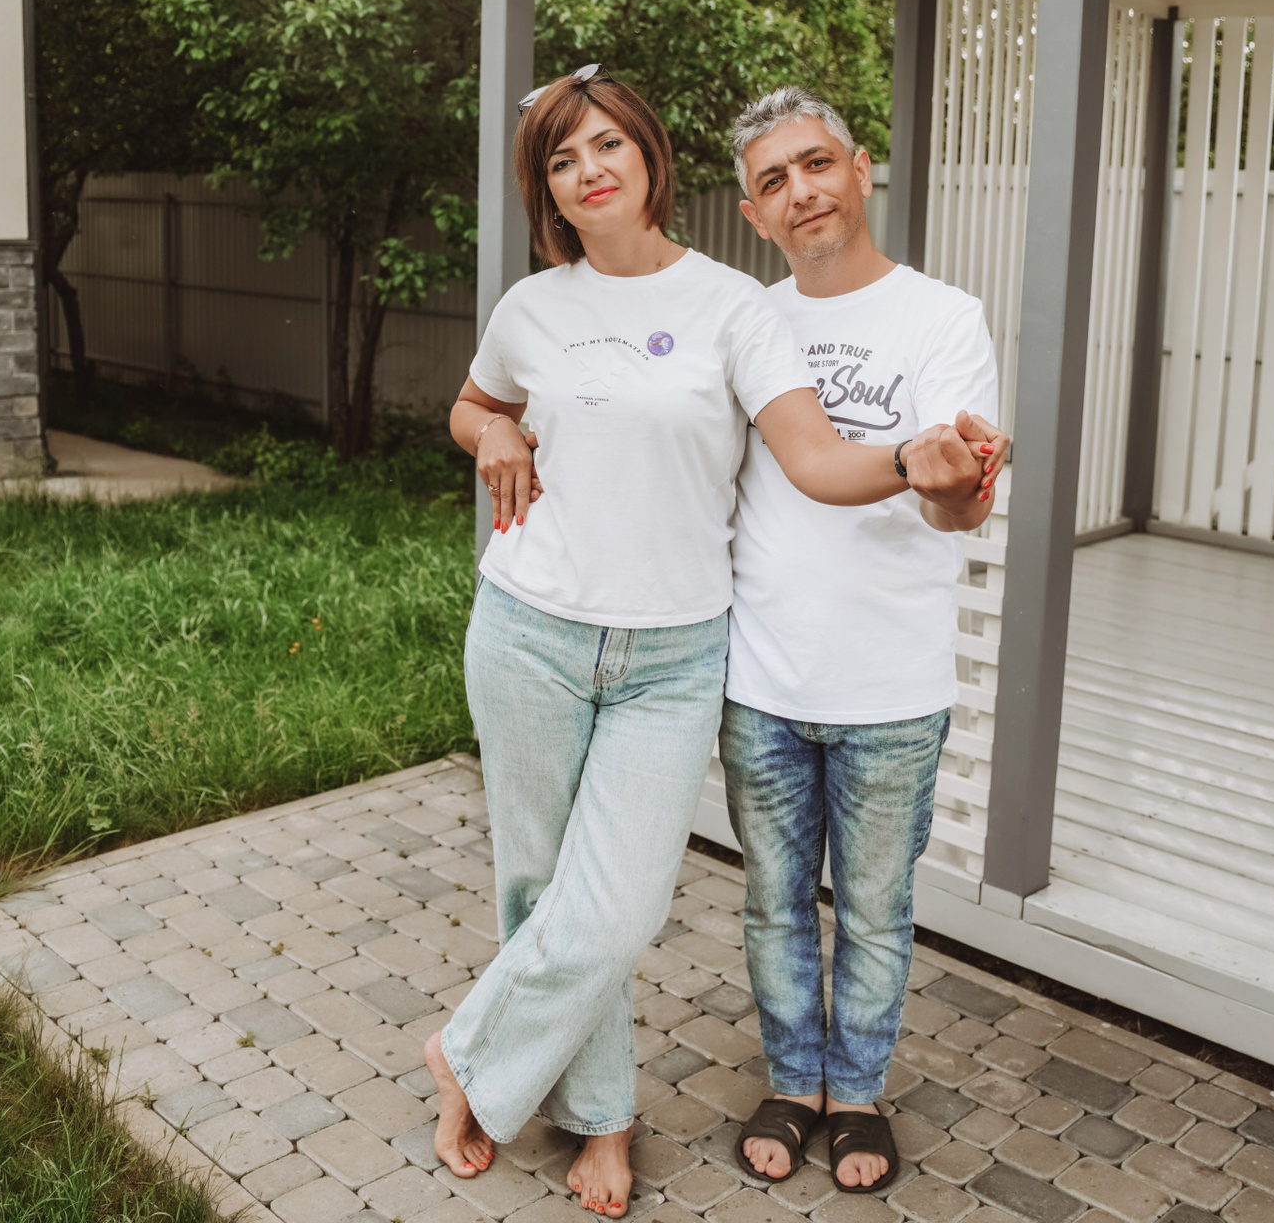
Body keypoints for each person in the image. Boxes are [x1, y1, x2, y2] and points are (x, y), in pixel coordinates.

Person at [423, 66, 1010, 1219]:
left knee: (620, 904)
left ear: (649, 156)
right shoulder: (529, 306)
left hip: (677, 653)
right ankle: (600, 1116)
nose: (588, 170)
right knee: (542, 887)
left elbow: (815, 459)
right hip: (530, 629)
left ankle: (470, 1054)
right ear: (549, 191)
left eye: (607, 144)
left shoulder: (737, 308)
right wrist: (489, 431)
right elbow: (474, 402)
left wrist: (914, 460)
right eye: (561, 159)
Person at [720, 87, 1005, 1194]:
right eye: (774, 180)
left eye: (816, 163)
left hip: (892, 685)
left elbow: (957, 508)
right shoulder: (748, 321)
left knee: (876, 914)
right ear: (755, 213)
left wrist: (955, 477)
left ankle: (857, 1094)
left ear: (861, 167)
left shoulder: (944, 318)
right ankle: (795, 1082)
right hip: (764, 677)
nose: (801, 191)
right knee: (775, 904)